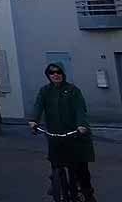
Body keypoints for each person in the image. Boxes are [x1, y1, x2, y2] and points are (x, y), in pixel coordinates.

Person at [28, 62, 95, 201]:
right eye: (52, 72)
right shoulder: (45, 91)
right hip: (55, 134)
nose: (55, 75)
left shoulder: (73, 90)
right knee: (55, 160)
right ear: (48, 75)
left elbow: (80, 109)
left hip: (74, 134)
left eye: (58, 72)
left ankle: (88, 193)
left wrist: (81, 125)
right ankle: (57, 180)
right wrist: (34, 120)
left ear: (63, 74)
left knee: (81, 168)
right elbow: (38, 105)